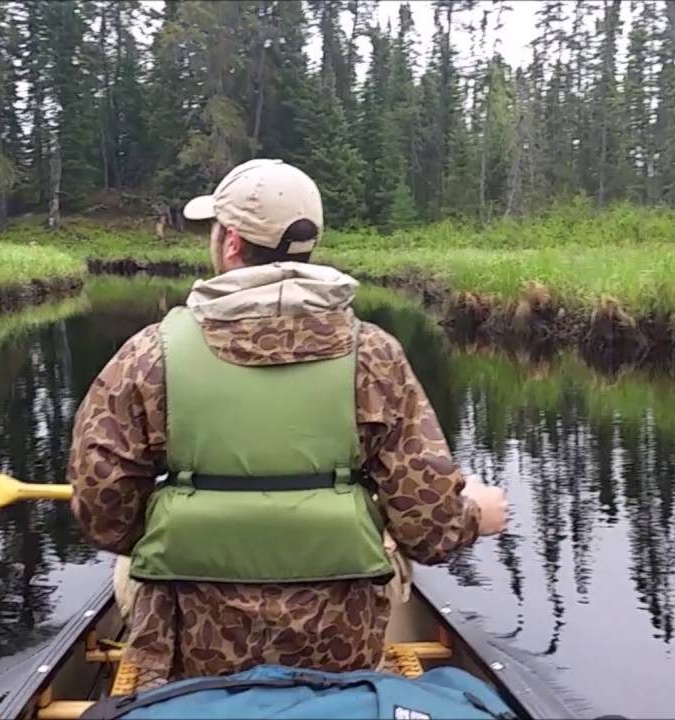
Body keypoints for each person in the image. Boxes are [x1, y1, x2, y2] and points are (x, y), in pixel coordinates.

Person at [67, 158, 508, 688]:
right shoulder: (376, 357)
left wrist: (183, 519)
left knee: (127, 566)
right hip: (338, 641)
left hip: (194, 641)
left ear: (230, 242)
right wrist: (474, 515)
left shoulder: (149, 355)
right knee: (390, 556)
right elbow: (429, 529)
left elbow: (102, 516)